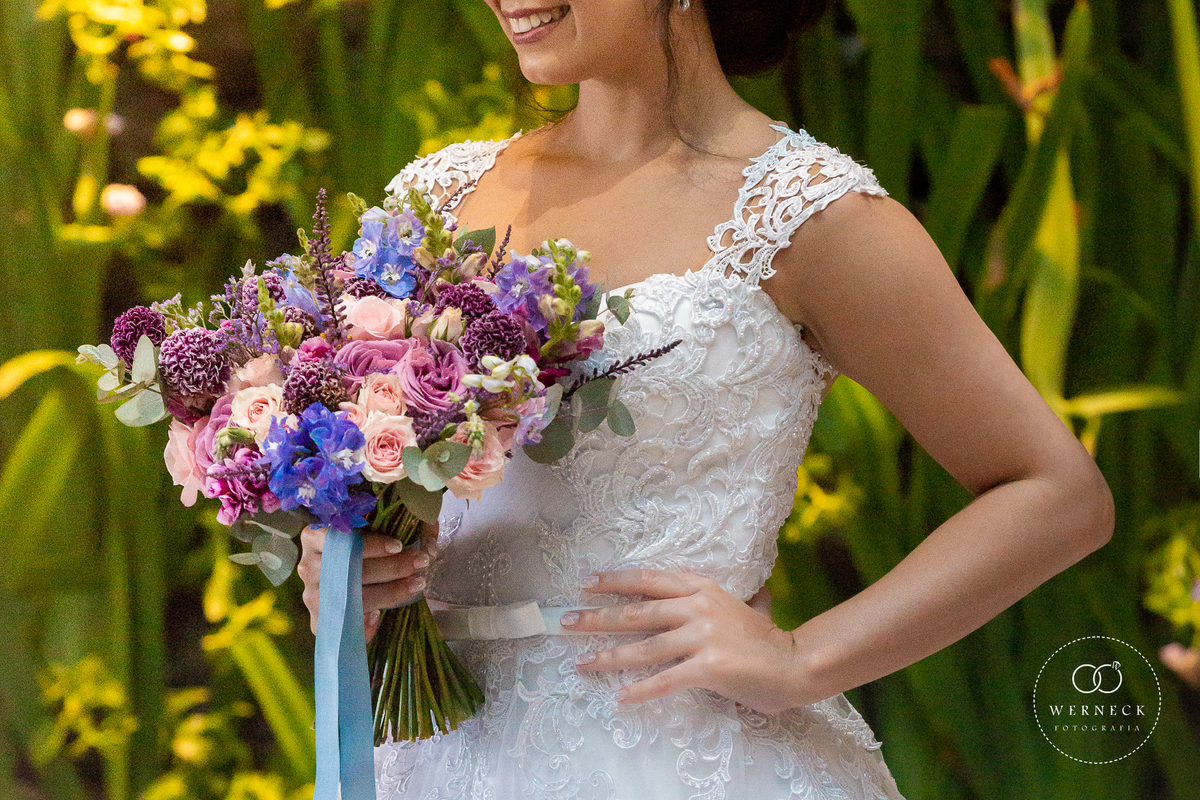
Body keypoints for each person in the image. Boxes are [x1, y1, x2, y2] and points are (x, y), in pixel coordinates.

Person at [297, 1, 1115, 797]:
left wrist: (802, 659)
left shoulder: (806, 213)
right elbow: (404, 492)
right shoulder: (436, 198)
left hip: (680, 756)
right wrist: (350, 569)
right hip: (436, 758)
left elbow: (1056, 492)